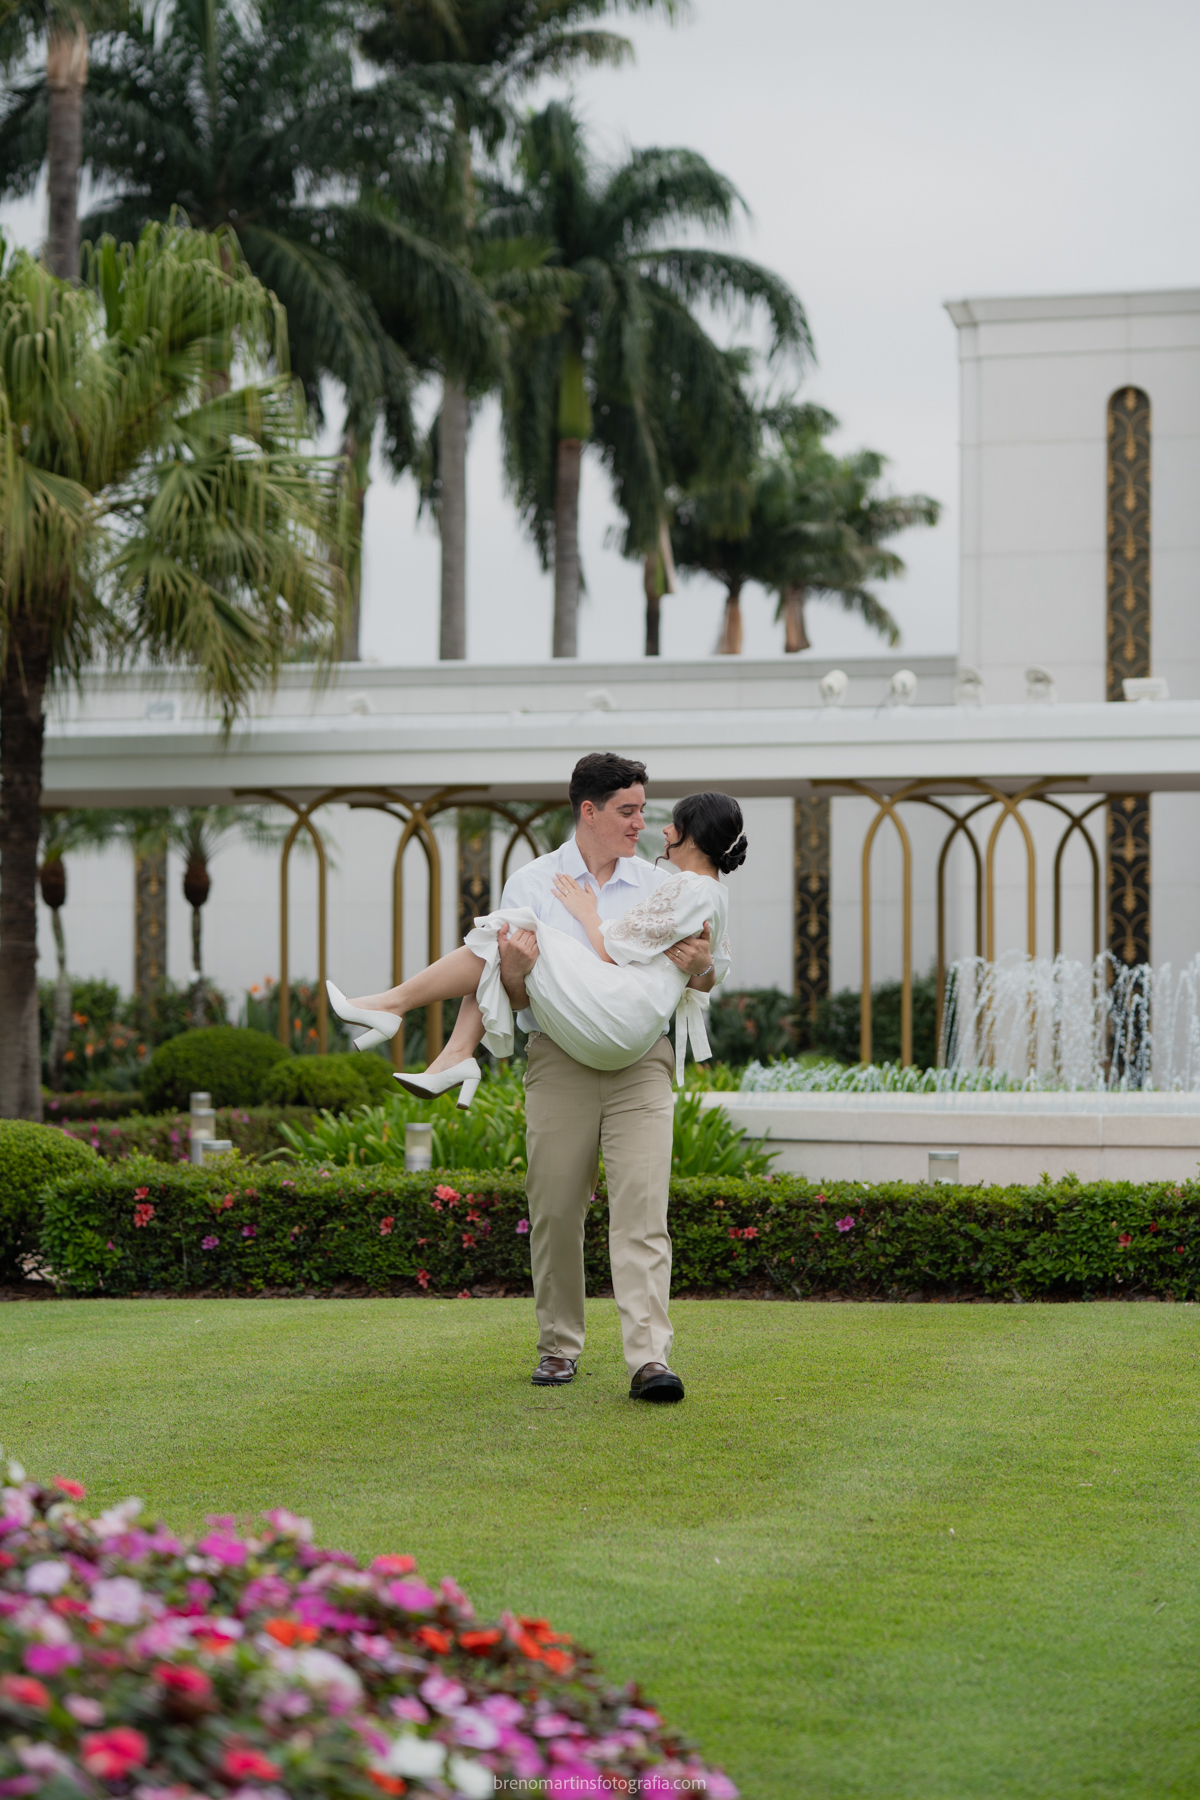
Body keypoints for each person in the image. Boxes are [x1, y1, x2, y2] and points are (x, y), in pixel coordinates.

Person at [328, 756, 748, 1404]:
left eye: (644, 810)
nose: (642, 823)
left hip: (641, 1064)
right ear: (589, 811)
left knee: (642, 1212)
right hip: (560, 1061)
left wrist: (699, 966)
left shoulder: (658, 882)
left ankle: (649, 1361)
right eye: (628, 811)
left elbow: (702, 973)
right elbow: (512, 996)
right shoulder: (532, 881)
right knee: (553, 1209)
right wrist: (517, 972)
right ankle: (559, 1347)